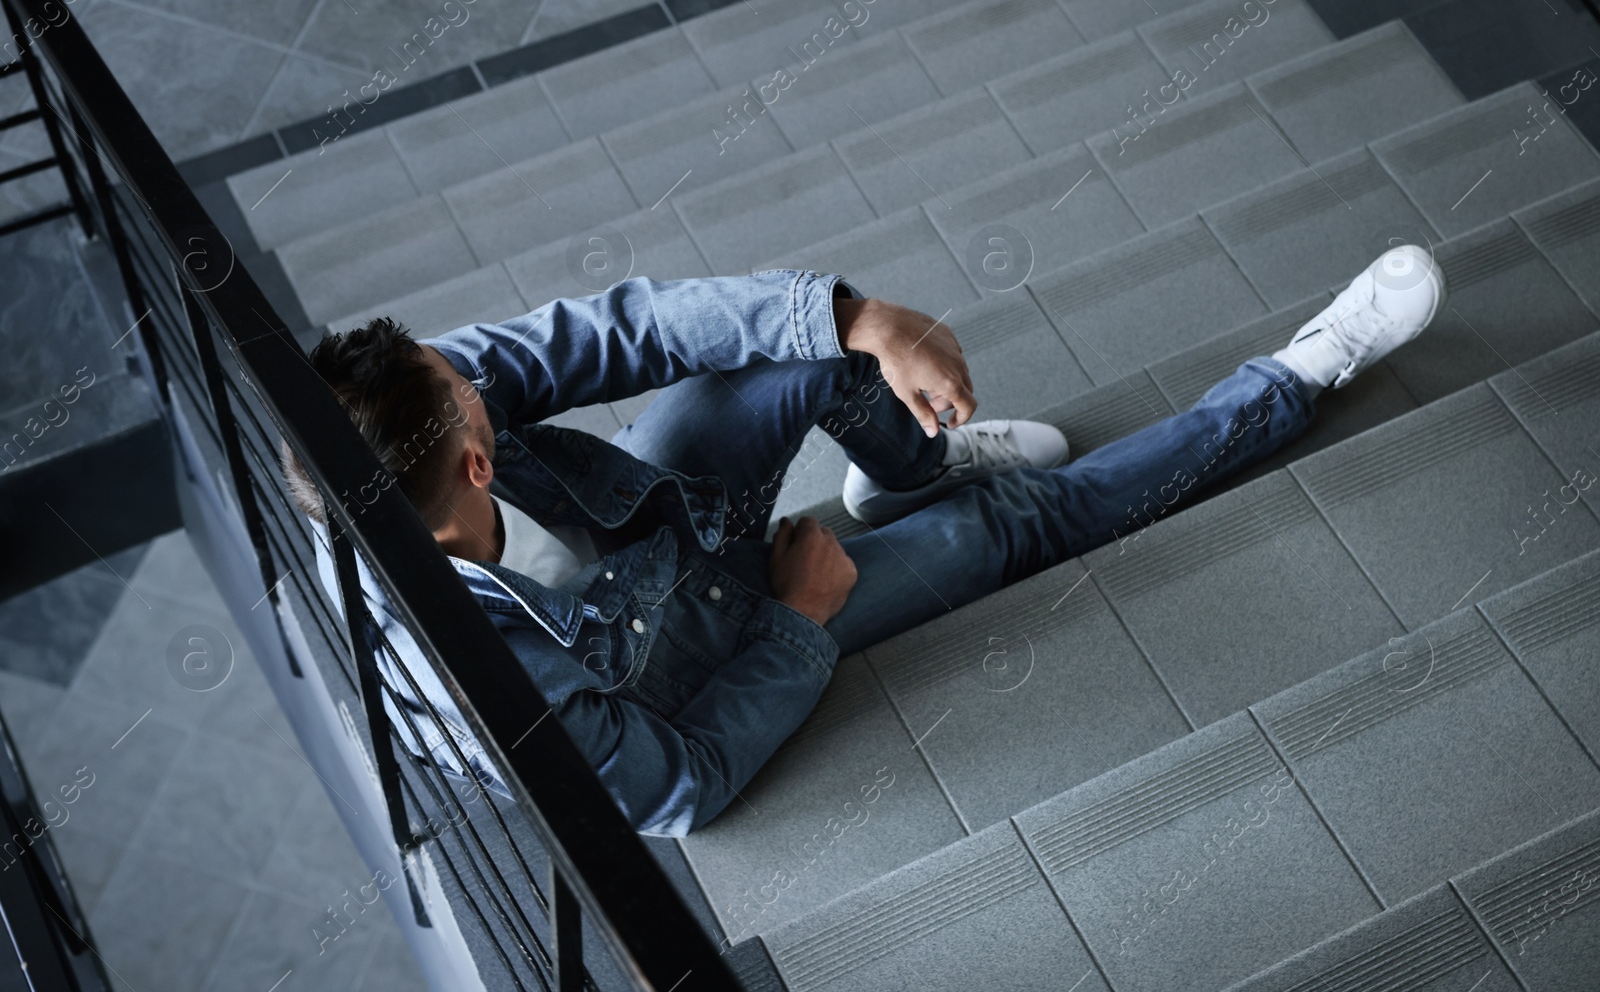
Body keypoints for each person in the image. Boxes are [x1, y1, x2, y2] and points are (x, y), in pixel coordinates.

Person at [281, 247, 1443, 837]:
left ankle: (910, 472)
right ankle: (1298, 374)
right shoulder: (487, 683)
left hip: (668, 525)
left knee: (824, 362)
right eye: (464, 383)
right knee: (1019, 522)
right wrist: (797, 620)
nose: (476, 367)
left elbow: (615, 329)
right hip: (714, 653)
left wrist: (858, 317)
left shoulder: (398, 440)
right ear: (472, 467)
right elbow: (672, 788)